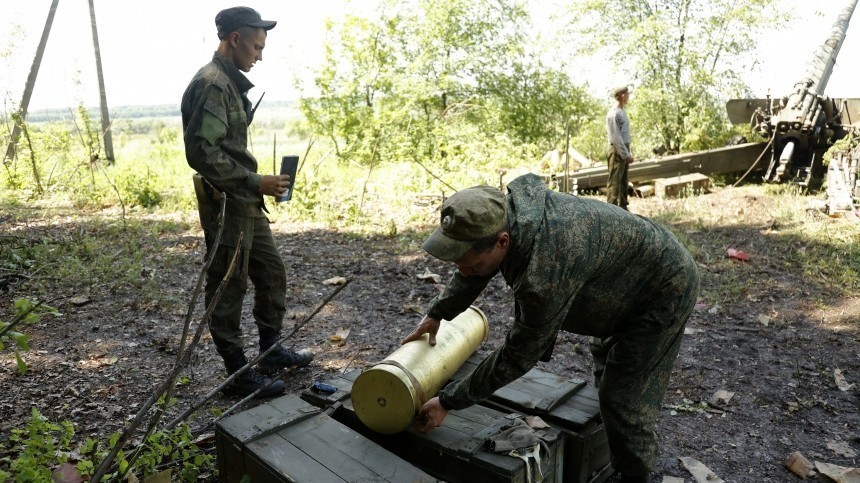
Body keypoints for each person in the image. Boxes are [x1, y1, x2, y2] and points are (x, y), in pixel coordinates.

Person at [402, 173, 699, 483]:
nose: (464, 271)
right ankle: (608, 444)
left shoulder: (543, 272)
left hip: (663, 289)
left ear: (502, 241)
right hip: (626, 278)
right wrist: (437, 313)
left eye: (470, 263)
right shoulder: (510, 217)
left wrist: (449, 401)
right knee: (606, 363)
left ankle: (636, 474)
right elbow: (473, 271)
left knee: (623, 395)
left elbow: (518, 356)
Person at [181, 6, 313, 398]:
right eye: (256, 46)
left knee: (271, 274)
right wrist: (257, 181)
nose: (260, 54)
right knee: (228, 285)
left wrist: (256, 185)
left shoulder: (228, 82)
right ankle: (236, 373)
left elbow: (226, 149)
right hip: (228, 205)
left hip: (246, 201)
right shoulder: (214, 84)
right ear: (234, 39)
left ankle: (271, 352)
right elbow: (202, 152)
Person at [606, 84, 633, 209]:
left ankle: (623, 209)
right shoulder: (614, 113)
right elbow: (616, 137)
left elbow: (623, 135)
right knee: (615, 183)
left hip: (623, 149)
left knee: (623, 181)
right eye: (627, 94)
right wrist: (625, 154)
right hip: (617, 150)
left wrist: (628, 152)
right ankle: (611, 211)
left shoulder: (621, 111)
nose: (628, 97)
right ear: (622, 96)